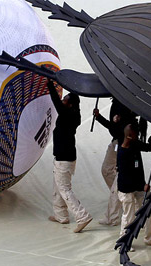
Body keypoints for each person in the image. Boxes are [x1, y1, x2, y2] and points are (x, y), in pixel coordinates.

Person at [47, 80, 92, 233]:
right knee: (57, 187)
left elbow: (55, 101)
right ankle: (61, 216)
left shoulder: (67, 114)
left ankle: (82, 216)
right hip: (65, 157)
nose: (62, 101)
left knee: (65, 189)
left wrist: (49, 83)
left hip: (63, 158)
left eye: (65, 100)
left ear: (70, 104)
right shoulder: (74, 114)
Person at [117, 123, 151, 250]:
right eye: (135, 135)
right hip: (127, 188)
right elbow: (128, 176)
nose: (138, 136)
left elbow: (150, 147)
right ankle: (124, 240)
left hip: (138, 185)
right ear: (129, 136)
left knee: (149, 210)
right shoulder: (122, 153)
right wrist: (142, 185)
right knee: (129, 215)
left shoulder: (135, 144)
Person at [93, 100, 135, 226]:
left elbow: (116, 128)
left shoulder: (124, 104)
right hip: (117, 142)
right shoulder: (117, 103)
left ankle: (112, 216)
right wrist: (99, 117)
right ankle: (120, 197)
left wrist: (109, 120)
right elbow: (114, 127)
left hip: (123, 145)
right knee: (106, 170)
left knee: (117, 184)